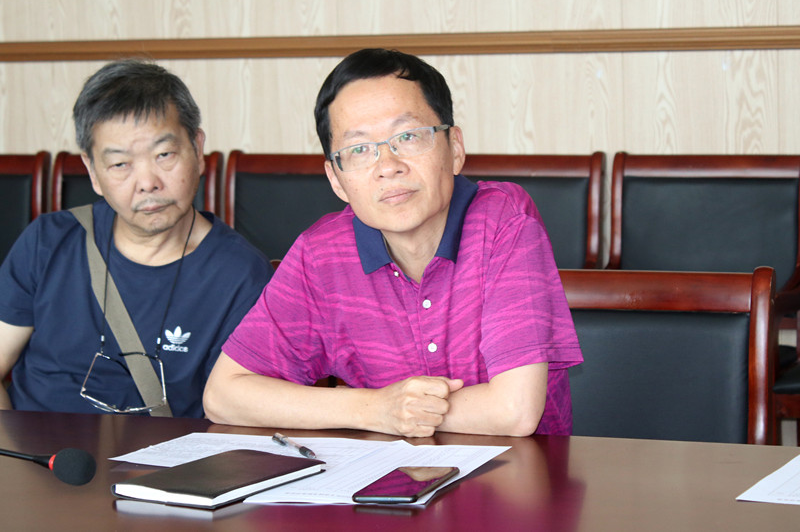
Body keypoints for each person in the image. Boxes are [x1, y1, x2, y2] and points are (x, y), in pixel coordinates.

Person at [204, 48, 582, 436]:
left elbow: (513, 411)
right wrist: (374, 409)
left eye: (409, 136)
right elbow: (223, 395)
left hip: (517, 470)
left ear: (454, 148)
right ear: (336, 180)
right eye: (359, 150)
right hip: (386, 472)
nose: (388, 167)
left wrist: (396, 413)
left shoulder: (505, 221)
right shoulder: (321, 253)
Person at [0, 59, 272, 417]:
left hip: (162, 455)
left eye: (164, 155)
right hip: (33, 450)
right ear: (92, 172)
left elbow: (232, 414)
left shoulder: (241, 275)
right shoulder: (48, 242)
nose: (147, 183)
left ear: (197, 149)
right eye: (120, 164)